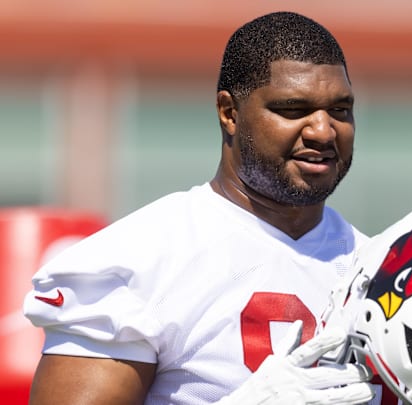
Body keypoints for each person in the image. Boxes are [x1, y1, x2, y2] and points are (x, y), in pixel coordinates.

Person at [23, 11, 375, 405]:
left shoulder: (383, 266)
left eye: (340, 111)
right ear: (230, 113)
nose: (323, 131)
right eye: (293, 110)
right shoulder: (141, 260)